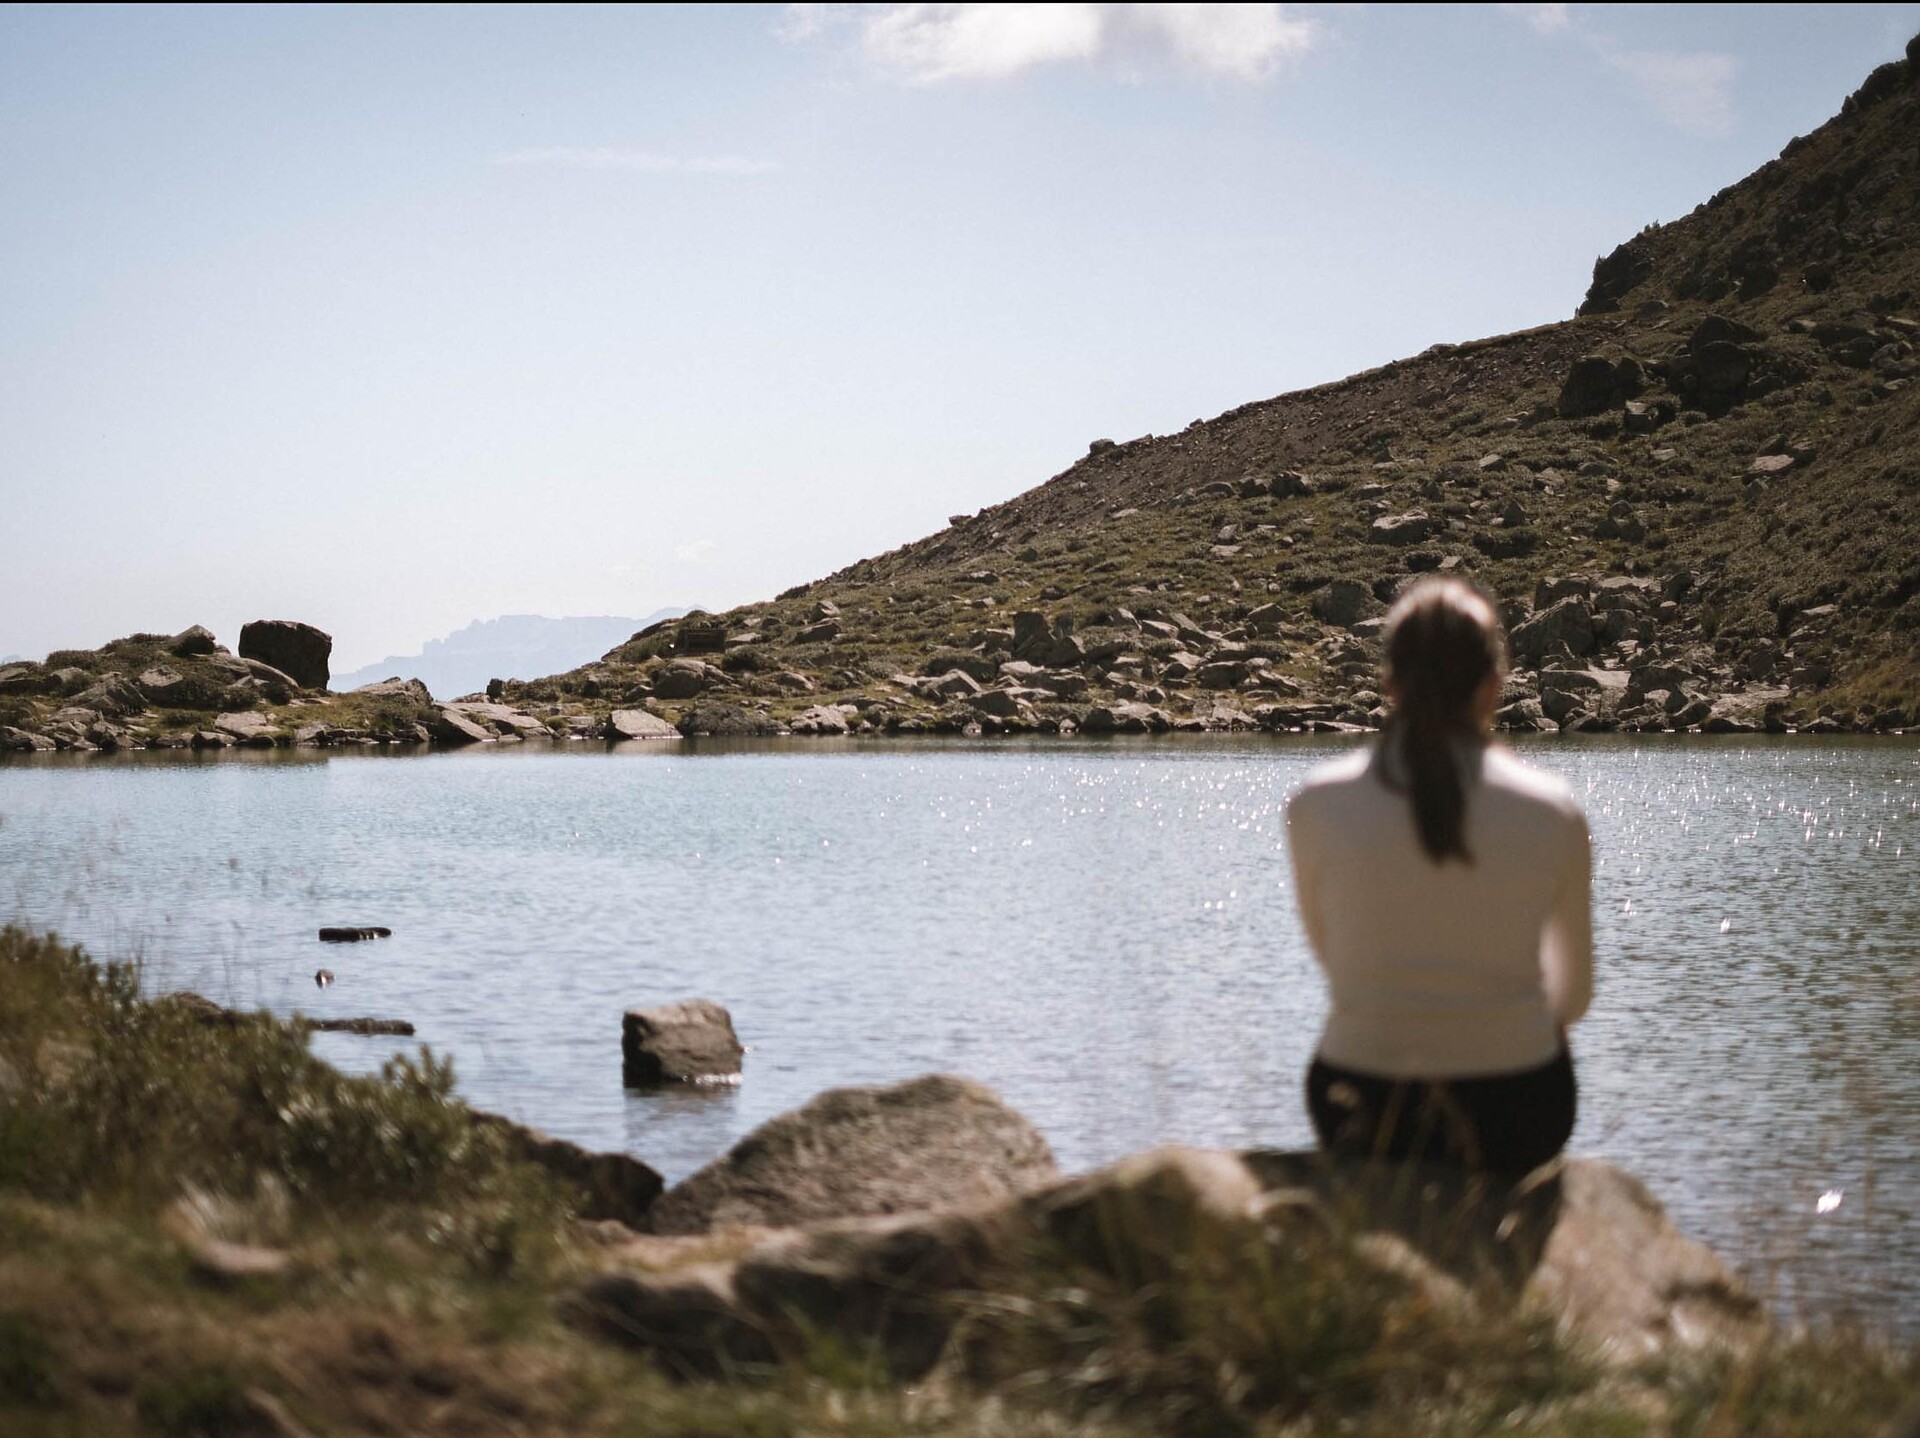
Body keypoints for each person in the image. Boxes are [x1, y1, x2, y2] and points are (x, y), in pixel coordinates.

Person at [1286, 576, 1592, 1175]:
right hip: (1518, 1111)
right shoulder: (1553, 808)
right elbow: (1573, 1000)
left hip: (1360, 1101)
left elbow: (1335, 962)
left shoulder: (1316, 803)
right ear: (1494, 687)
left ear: (1389, 684)